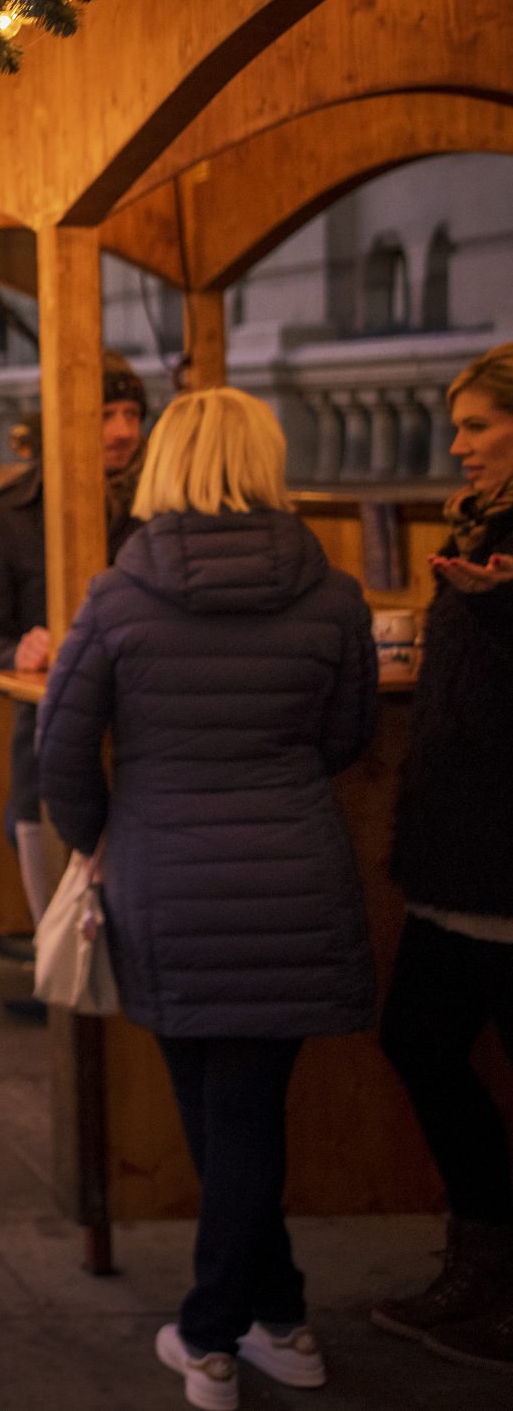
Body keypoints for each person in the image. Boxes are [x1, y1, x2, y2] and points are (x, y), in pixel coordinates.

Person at [34, 387, 375, 1409]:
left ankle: (213, 1336)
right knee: (244, 1115)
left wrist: (100, 838)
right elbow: (348, 737)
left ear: (166, 462)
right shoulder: (333, 595)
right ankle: (282, 1318)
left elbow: (59, 748)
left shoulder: (118, 596)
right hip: (293, 876)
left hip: (164, 881)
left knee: (220, 1116)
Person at [374, 341, 513, 1369]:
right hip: (463, 853)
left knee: (424, 1038)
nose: (457, 445)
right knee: (418, 1040)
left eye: (476, 425)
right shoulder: (480, 531)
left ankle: (490, 1273)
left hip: (497, 857)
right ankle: (483, 1257)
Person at [0, 352, 148, 1017]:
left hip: (153, 759)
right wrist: (18, 651)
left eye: (133, 414)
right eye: (105, 415)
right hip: (47, 763)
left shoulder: (169, 507)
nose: (124, 431)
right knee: (67, 955)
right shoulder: (11, 514)